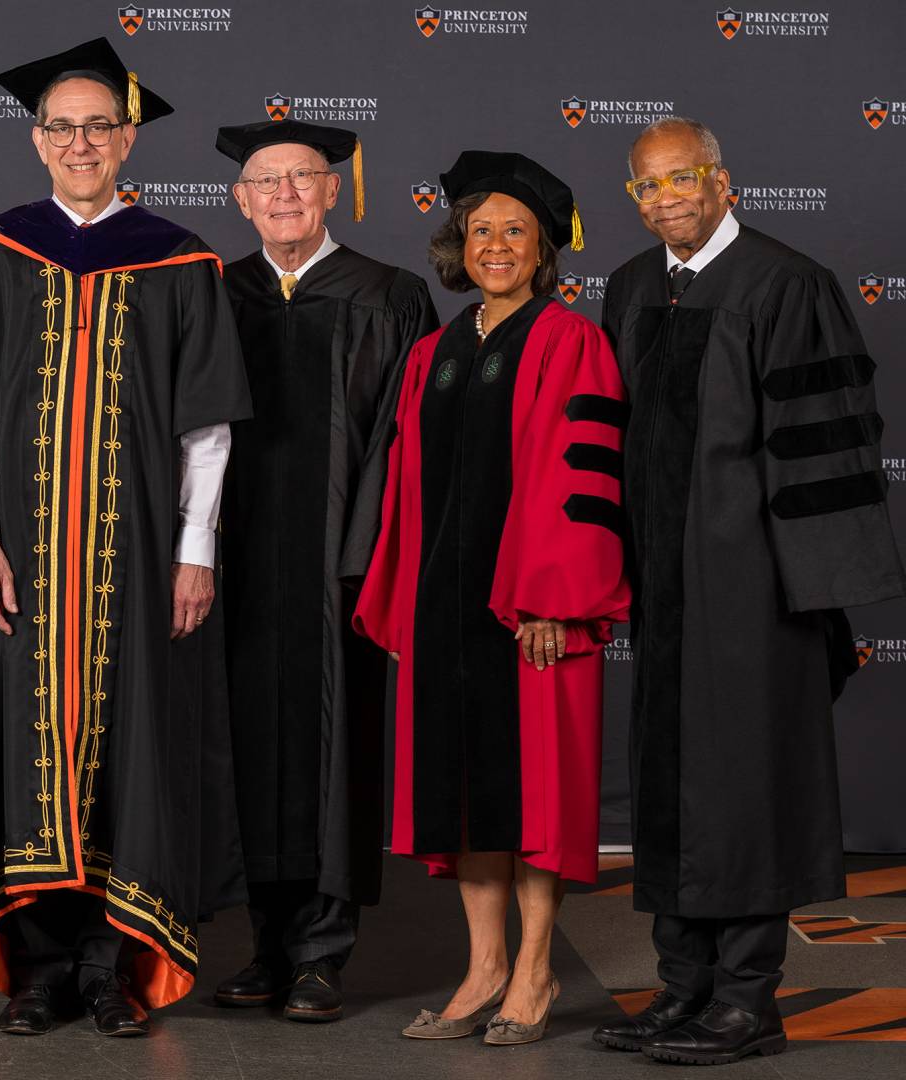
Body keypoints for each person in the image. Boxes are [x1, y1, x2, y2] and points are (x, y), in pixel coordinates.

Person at [0, 38, 251, 1038]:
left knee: (132, 745)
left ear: (127, 135)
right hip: (20, 553)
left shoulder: (180, 259)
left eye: (98, 125)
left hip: (139, 554)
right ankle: (42, 969)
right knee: (28, 754)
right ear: (37, 139)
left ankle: (111, 966)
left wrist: (198, 547)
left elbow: (208, 425)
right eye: (61, 126)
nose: (80, 142)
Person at [592, 117, 905, 1067]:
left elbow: (824, 447)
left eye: (682, 178)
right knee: (671, 786)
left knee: (746, 787)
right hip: (663, 592)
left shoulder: (786, 283)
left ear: (723, 180)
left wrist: (811, 598)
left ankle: (747, 1000)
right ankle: (680, 988)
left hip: (755, 591)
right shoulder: (636, 288)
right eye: (646, 186)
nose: (665, 199)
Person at [350, 151, 628, 1047]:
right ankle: (484, 969)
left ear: (544, 249)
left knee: (530, 794)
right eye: (481, 231)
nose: (497, 245)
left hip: (531, 613)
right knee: (464, 794)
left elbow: (577, 477)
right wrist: (401, 601)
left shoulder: (569, 337)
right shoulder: (433, 349)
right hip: (443, 607)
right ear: (457, 247)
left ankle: (538, 971)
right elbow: (403, 485)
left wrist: (554, 600)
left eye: (516, 231)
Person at [207, 119, 437, 1023]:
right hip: (232, 562)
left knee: (332, 747)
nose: (287, 195)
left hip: (344, 564)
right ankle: (267, 945)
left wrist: (370, 554)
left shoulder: (389, 294)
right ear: (241, 199)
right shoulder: (214, 294)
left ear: (334, 190)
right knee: (251, 744)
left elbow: (405, 441)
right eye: (268, 182)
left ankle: (323, 951)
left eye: (304, 178)